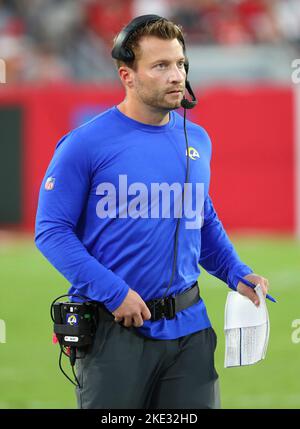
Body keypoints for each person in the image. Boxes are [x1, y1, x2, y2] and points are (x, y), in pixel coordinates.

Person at [35, 15, 270, 409]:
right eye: (161, 66)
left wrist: (235, 271)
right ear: (127, 75)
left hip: (191, 330)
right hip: (116, 330)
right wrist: (114, 293)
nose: (175, 75)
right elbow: (52, 231)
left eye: (180, 64)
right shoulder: (85, 144)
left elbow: (201, 216)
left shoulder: (196, 137)